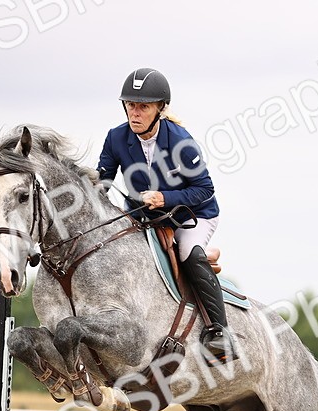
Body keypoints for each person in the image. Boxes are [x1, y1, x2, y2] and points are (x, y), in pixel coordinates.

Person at [96, 67, 235, 362]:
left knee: (188, 252)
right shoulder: (116, 138)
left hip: (191, 215)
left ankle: (219, 333)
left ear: (160, 109)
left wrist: (165, 198)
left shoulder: (181, 141)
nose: (135, 112)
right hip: (145, 217)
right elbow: (102, 182)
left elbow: (205, 189)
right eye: (130, 105)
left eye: (143, 106)